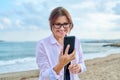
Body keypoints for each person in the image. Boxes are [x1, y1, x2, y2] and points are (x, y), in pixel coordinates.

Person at [36, 6, 86, 80]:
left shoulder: (76, 41)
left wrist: (78, 68)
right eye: (58, 24)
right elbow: (44, 76)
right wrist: (60, 65)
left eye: (65, 24)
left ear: (70, 24)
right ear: (52, 25)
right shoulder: (43, 44)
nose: (62, 28)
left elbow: (83, 65)